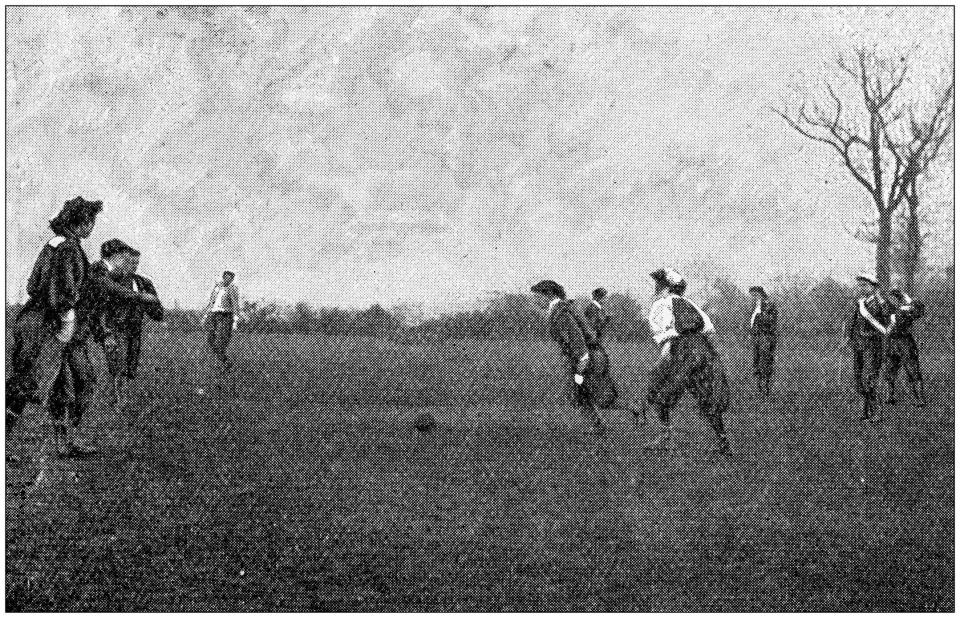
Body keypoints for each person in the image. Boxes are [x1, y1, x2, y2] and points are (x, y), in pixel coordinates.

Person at [6, 196, 103, 460]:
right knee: (26, 385)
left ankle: (65, 443)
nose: (92, 227)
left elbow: (32, 285)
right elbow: (63, 293)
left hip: (35, 320)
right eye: (90, 221)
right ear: (79, 222)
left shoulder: (52, 245)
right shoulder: (70, 248)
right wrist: (66, 323)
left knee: (62, 385)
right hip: (49, 325)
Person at [643, 268, 731, 456]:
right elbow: (708, 328)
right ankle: (723, 441)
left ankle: (666, 436)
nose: (656, 288)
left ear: (664, 286)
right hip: (703, 351)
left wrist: (662, 361)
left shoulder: (662, 304)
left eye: (658, 284)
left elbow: (667, 336)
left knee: (660, 390)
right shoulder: (691, 304)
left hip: (683, 352)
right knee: (708, 395)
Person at [89, 240, 163, 409]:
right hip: (117, 329)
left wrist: (151, 302)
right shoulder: (110, 282)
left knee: (130, 367)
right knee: (118, 366)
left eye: (136, 263)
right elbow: (100, 307)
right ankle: (119, 399)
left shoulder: (143, 283)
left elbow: (158, 313)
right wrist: (105, 332)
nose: (133, 266)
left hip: (134, 331)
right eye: (129, 262)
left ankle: (121, 398)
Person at [530, 280, 604, 435]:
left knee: (580, 391)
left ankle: (599, 424)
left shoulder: (560, 312)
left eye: (537, 296)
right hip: (579, 357)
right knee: (580, 391)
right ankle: (597, 424)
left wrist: (582, 360)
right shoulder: (558, 309)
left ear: (548, 294)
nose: (535, 300)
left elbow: (575, 335)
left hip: (581, 358)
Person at [846, 273, 890, 423]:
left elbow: (886, 320)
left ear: (873, 287)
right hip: (858, 346)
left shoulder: (880, 303)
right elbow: (852, 322)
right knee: (859, 379)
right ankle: (865, 411)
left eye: (865, 285)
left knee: (869, 378)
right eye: (860, 285)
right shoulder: (860, 303)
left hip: (873, 345)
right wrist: (847, 339)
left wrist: (881, 299)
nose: (861, 287)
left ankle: (876, 413)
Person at [885, 288, 926, 407]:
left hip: (905, 343)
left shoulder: (908, 310)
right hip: (892, 343)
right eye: (890, 298)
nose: (891, 300)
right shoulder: (888, 310)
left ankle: (920, 399)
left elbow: (920, 309)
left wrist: (906, 297)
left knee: (913, 371)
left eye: (893, 298)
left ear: (899, 299)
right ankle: (890, 397)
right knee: (889, 370)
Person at [203, 271, 240, 371]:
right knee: (210, 339)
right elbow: (211, 301)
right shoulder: (217, 287)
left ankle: (225, 363)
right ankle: (224, 361)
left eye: (231, 278)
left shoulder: (232, 289)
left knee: (220, 342)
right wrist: (206, 315)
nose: (228, 280)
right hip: (214, 315)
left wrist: (235, 321)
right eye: (227, 277)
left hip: (225, 316)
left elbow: (235, 304)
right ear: (223, 277)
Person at [748, 285, 778, 396]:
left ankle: (766, 387)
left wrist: (760, 315)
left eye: (754, 295)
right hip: (757, 337)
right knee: (757, 361)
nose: (752, 297)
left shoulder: (769, 305)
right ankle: (760, 387)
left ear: (760, 294)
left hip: (766, 336)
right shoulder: (754, 306)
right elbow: (752, 323)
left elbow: (771, 321)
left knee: (765, 362)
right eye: (752, 295)